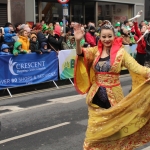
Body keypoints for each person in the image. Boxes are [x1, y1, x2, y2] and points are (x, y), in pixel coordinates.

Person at [74, 20, 150, 150]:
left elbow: (138, 68)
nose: (107, 39)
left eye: (109, 36)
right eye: (104, 36)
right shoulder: (95, 52)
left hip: (114, 101)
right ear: (100, 37)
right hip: (95, 100)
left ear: (114, 37)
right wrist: (77, 41)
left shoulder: (121, 54)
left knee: (117, 135)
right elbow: (81, 54)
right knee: (92, 140)